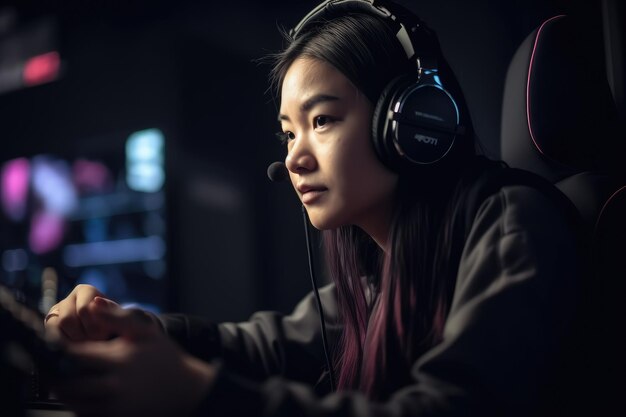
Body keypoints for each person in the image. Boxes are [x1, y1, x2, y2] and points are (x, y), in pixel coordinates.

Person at [44, 1, 584, 416]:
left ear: (411, 120)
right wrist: (133, 326)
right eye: (287, 133)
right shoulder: (377, 269)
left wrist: (198, 395)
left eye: (321, 120)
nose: (294, 159)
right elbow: (263, 348)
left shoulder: (512, 224)